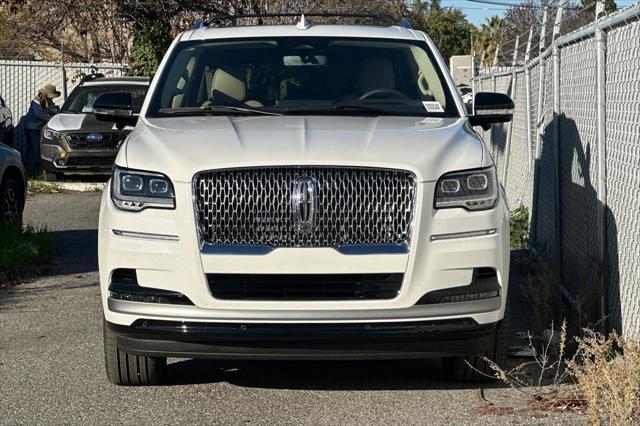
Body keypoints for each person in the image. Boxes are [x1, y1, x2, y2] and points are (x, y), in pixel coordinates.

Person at [23, 84, 60, 172]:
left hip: (38, 127)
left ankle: (38, 168)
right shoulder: (36, 100)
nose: (52, 98)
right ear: (46, 94)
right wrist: (52, 119)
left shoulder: (46, 100)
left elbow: (51, 109)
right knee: (33, 148)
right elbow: (38, 114)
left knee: (39, 148)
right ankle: (30, 170)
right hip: (31, 127)